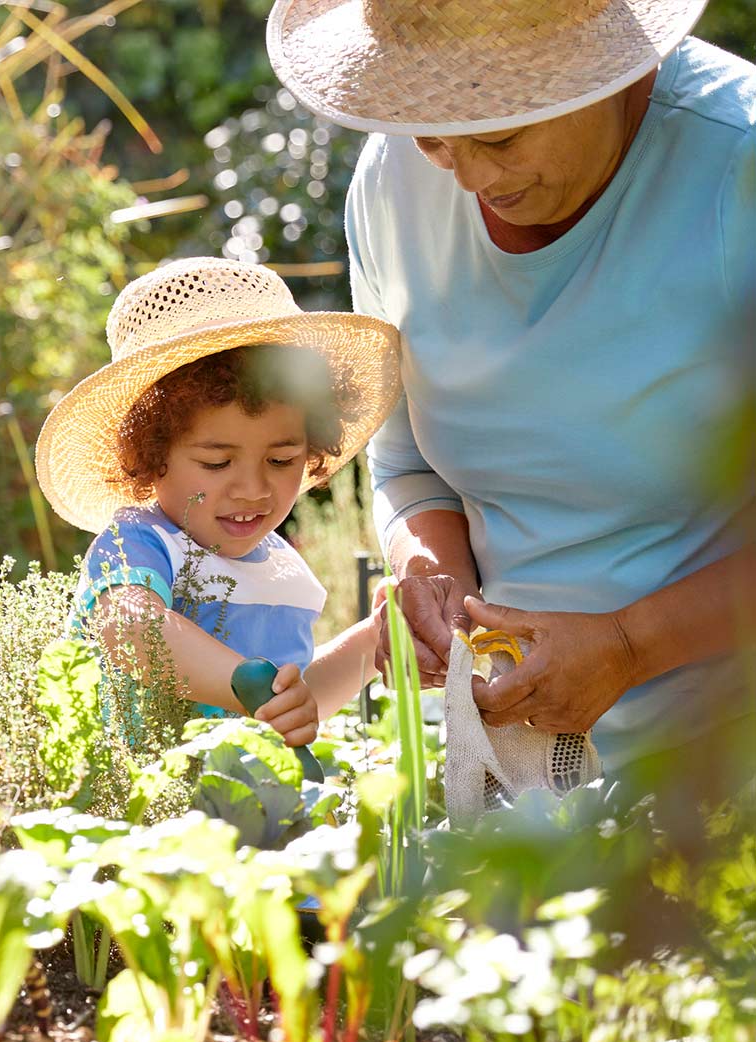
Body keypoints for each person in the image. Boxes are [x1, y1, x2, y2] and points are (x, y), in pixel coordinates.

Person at [267, 0, 756, 775]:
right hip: (515, 766)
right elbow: (407, 467)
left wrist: (629, 646)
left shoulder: (738, 161)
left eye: (498, 135)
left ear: (600, 69)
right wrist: (431, 576)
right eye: (434, 138)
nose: (471, 179)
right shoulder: (391, 182)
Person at [35, 256, 401, 747]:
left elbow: (294, 703)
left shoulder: (281, 568)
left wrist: (375, 640)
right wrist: (244, 683)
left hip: (253, 808)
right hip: (152, 806)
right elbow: (131, 630)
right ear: (150, 453)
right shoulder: (140, 543)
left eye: (281, 460)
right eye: (215, 463)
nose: (252, 489)